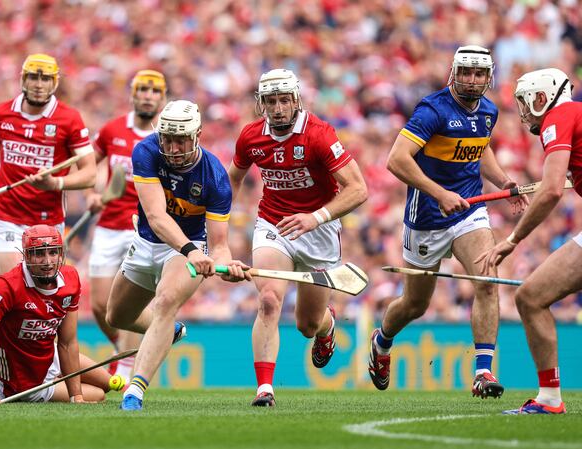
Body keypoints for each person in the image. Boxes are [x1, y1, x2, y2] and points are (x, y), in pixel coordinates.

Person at [369, 45, 527, 398]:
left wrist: (503, 182)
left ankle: (483, 372)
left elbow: (480, 148)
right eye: (466, 72)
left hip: (470, 211)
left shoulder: (488, 111)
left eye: (479, 74)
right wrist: (439, 193)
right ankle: (381, 342)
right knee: (415, 305)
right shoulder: (432, 110)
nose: (472, 80)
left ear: (489, 78)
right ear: (453, 73)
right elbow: (396, 161)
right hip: (427, 216)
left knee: (486, 280)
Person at [228, 69, 368, 407]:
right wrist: (220, 230)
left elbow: (358, 189)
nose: (278, 108)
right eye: (271, 101)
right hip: (273, 225)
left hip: (318, 229)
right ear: (262, 104)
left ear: (296, 101)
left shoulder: (319, 135)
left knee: (308, 325)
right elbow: (231, 179)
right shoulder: (250, 137)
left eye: (284, 100)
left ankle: (327, 327)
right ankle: (265, 389)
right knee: (269, 301)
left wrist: (314, 217)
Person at [105, 100, 250, 411]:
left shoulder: (216, 178)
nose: (172, 146)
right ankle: (168, 330)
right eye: (167, 138)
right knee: (116, 316)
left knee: (166, 300)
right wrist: (192, 252)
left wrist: (227, 265)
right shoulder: (146, 151)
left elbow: (219, 243)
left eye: (180, 139)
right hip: (149, 241)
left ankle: (135, 391)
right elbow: (156, 218)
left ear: (196, 135)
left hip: (191, 245)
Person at [478, 68, 578, 415]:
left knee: (531, 297)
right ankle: (549, 399)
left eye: (524, 102)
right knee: (532, 296)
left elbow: (550, 190)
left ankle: (550, 399)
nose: (522, 112)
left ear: (540, 98)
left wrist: (512, 239)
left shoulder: (559, 117)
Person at [0, 53, 96, 274]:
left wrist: (54, 183)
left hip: (48, 218)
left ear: (55, 82)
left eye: (45, 79)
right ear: (23, 79)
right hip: (7, 215)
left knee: (43, 295)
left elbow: (90, 173)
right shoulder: (2, 113)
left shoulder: (69, 119)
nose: (39, 85)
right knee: (16, 285)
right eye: (33, 77)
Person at [0, 225, 112, 403]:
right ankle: (54, 384)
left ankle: (58, 381)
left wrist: (76, 397)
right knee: (99, 395)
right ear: (26, 256)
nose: (48, 261)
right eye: (39, 253)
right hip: (19, 380)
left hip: (49, 355)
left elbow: (67, 343)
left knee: (107, 383)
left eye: (53, 253)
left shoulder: (71, 279)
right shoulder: (7, 286)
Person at [86, 69, 166, 380]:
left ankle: (126, 364)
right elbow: (89, 162)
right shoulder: (112, 130)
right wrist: (94, 192)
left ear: (163, 97)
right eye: (143, 89)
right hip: (108, 225)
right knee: (99, 306)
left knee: (130, 300)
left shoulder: (165, 136)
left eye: (154, 91)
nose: (148, 95)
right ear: (132, 94)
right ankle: (147, 339)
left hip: (143, 229)